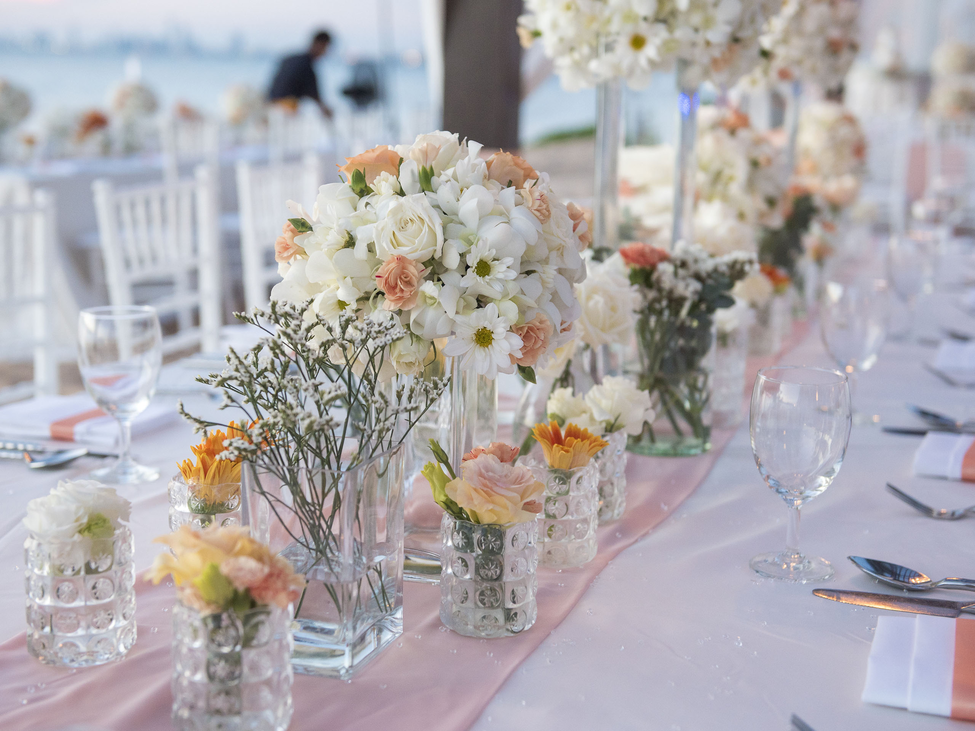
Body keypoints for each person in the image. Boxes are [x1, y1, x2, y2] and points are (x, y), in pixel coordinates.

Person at [267, 30, 334, 119]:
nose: (326, 52)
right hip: (286, 106)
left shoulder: (291, 58)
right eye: (326, 48)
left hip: (270, 103)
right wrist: (324, 109)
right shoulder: (307, 65)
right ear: (321, 45)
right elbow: (314, 93)